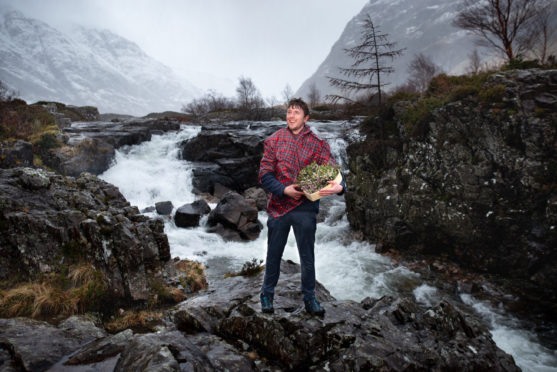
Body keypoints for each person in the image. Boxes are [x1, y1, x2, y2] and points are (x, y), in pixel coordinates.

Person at [258, 98, 345, 316]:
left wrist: (339, 188)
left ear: (306, 118)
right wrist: (283, 189)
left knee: (307, 257)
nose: (291, 116)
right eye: (289, 112)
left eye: (296, 113)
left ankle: (310, 298)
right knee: (273, 254)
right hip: (279, 206)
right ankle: (267, 295)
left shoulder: (318, 144)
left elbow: (334, 176)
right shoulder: (274, 141)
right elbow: (264, 176)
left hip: (306, 208)